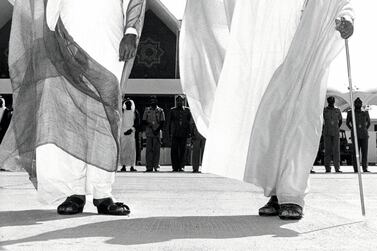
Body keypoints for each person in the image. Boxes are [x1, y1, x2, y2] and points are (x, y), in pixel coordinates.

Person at [181, 0, 354, 220]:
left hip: (311, 62)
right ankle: (275, 193)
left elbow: (343, 4)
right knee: (272, 126)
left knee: (302, 125)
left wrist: (348, 19)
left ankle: (292, 195)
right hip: (279, 66)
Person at [1, 0, 146, 215]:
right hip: (67, 32)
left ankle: (103, 192)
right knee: (70, 112)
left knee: (106, 112)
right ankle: (75, 191)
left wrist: (131, 30)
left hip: (109, 34)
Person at [346, 98, 371, 173]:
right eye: (356, 103)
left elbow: (368, 123)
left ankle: (364, 168)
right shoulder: (350, 113)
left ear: (361, 104)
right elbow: (347, 123)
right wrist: (353, 129)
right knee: (355, 152)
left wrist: (364, 129)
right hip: (355, 135)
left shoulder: (365, 112)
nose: (358, 104)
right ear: (354, 104)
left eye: (359, 103)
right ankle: (356, 168)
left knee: (364, 152)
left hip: (364, 135)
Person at [168, 95, 191, 172]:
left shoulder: (187, 110)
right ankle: (175, 167)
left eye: (181, 100)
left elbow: (189, 123)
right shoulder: (172, 110)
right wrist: (168, 133)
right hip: (175, 133)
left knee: (182, 151)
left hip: (184, 134)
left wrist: (189, 133)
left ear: (183, 101)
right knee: (174, 151)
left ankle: (181, 166)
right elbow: (169, 123)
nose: (179, 102)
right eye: (178, 101)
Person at [142, 96, 165, 172]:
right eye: (151, 100)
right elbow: (144, 120)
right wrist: (150, 126)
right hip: (149, 133)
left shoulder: (160, 110)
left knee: (156, 150)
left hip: (157, 133)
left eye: (154, 100)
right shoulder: (147, 110)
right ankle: (149, 167)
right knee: (149, 150)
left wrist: (157, 130)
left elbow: (162, 122)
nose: (153, 102)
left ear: (156, 101)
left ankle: (156, 166)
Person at [323, 96, 343, 173]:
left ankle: (337, 168)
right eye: (330, 101)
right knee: (327, 150)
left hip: (335, 133)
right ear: (328, 102)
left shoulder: (337, 110)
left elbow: (340, 121)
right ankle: (327, 168)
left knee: (336, 151)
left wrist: (336, 128)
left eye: (332, 101)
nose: (331, 102)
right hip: (327, 132)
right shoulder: (324, 110)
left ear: (334, 102)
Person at [119, 98, 140, 172]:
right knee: (123, 150)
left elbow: (137, 123)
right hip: (123, 133)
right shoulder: (122, 112)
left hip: (131, 133)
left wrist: (131, 130)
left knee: (132, 150)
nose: (128, 104)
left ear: (132, 104)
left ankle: (132, 166)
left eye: (129, 103)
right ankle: (123, 166)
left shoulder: (135, 112)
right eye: (126, 103)